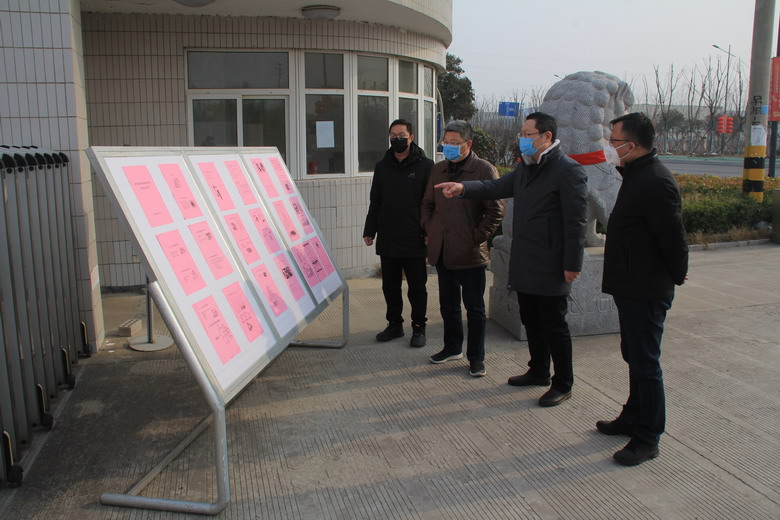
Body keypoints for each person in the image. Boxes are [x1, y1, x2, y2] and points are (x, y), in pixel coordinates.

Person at [435, 112, 587, 406]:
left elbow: (576, 223)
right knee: (531, 319)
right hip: (526, 259)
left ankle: (563, 383)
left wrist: (572, 264)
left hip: (552, 264)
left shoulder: (568, 170)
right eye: (522, 133)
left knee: (554, 325)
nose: (522, 139)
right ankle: (539, 370)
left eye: (528, 134)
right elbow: (496, 187)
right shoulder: (527, 167)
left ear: (547, 137)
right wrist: (463, 188)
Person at [597, 112, 688, 466]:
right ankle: (632, 416)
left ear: (632, 146)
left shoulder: (655, 181)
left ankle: (648, 437)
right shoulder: (635, 175)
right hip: (631, 285)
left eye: (613, 141)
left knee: (646, 363)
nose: (608, 147)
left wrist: (674, 277)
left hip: (646, 289)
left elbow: (674, 238)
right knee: (634, 356)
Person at [421, 120, 504, 377]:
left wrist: (474, 237)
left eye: (454, 143)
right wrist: (431, 229)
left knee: (474, 308)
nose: (448, 146)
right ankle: (452, 347)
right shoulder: (439, 169)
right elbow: (427, 204)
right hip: (443, 249)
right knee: (448, 305)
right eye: (445, 142)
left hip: (470, 253)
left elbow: (495, 211)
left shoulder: (484, 170)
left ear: (468, 144)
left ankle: (476, 357)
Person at [363, 119, 434, 347]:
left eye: (401, 135)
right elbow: (376, 201)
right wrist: (370, 230)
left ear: (411, 137)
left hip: (415, 236)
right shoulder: (382, 166)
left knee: (417, 287)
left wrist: (429, 230)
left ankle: (419, 327)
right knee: (390, 286)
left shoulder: (426, 166)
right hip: (388, 236)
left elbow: (431, 203)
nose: (397, 139)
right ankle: (394, 324)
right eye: (393, 136)